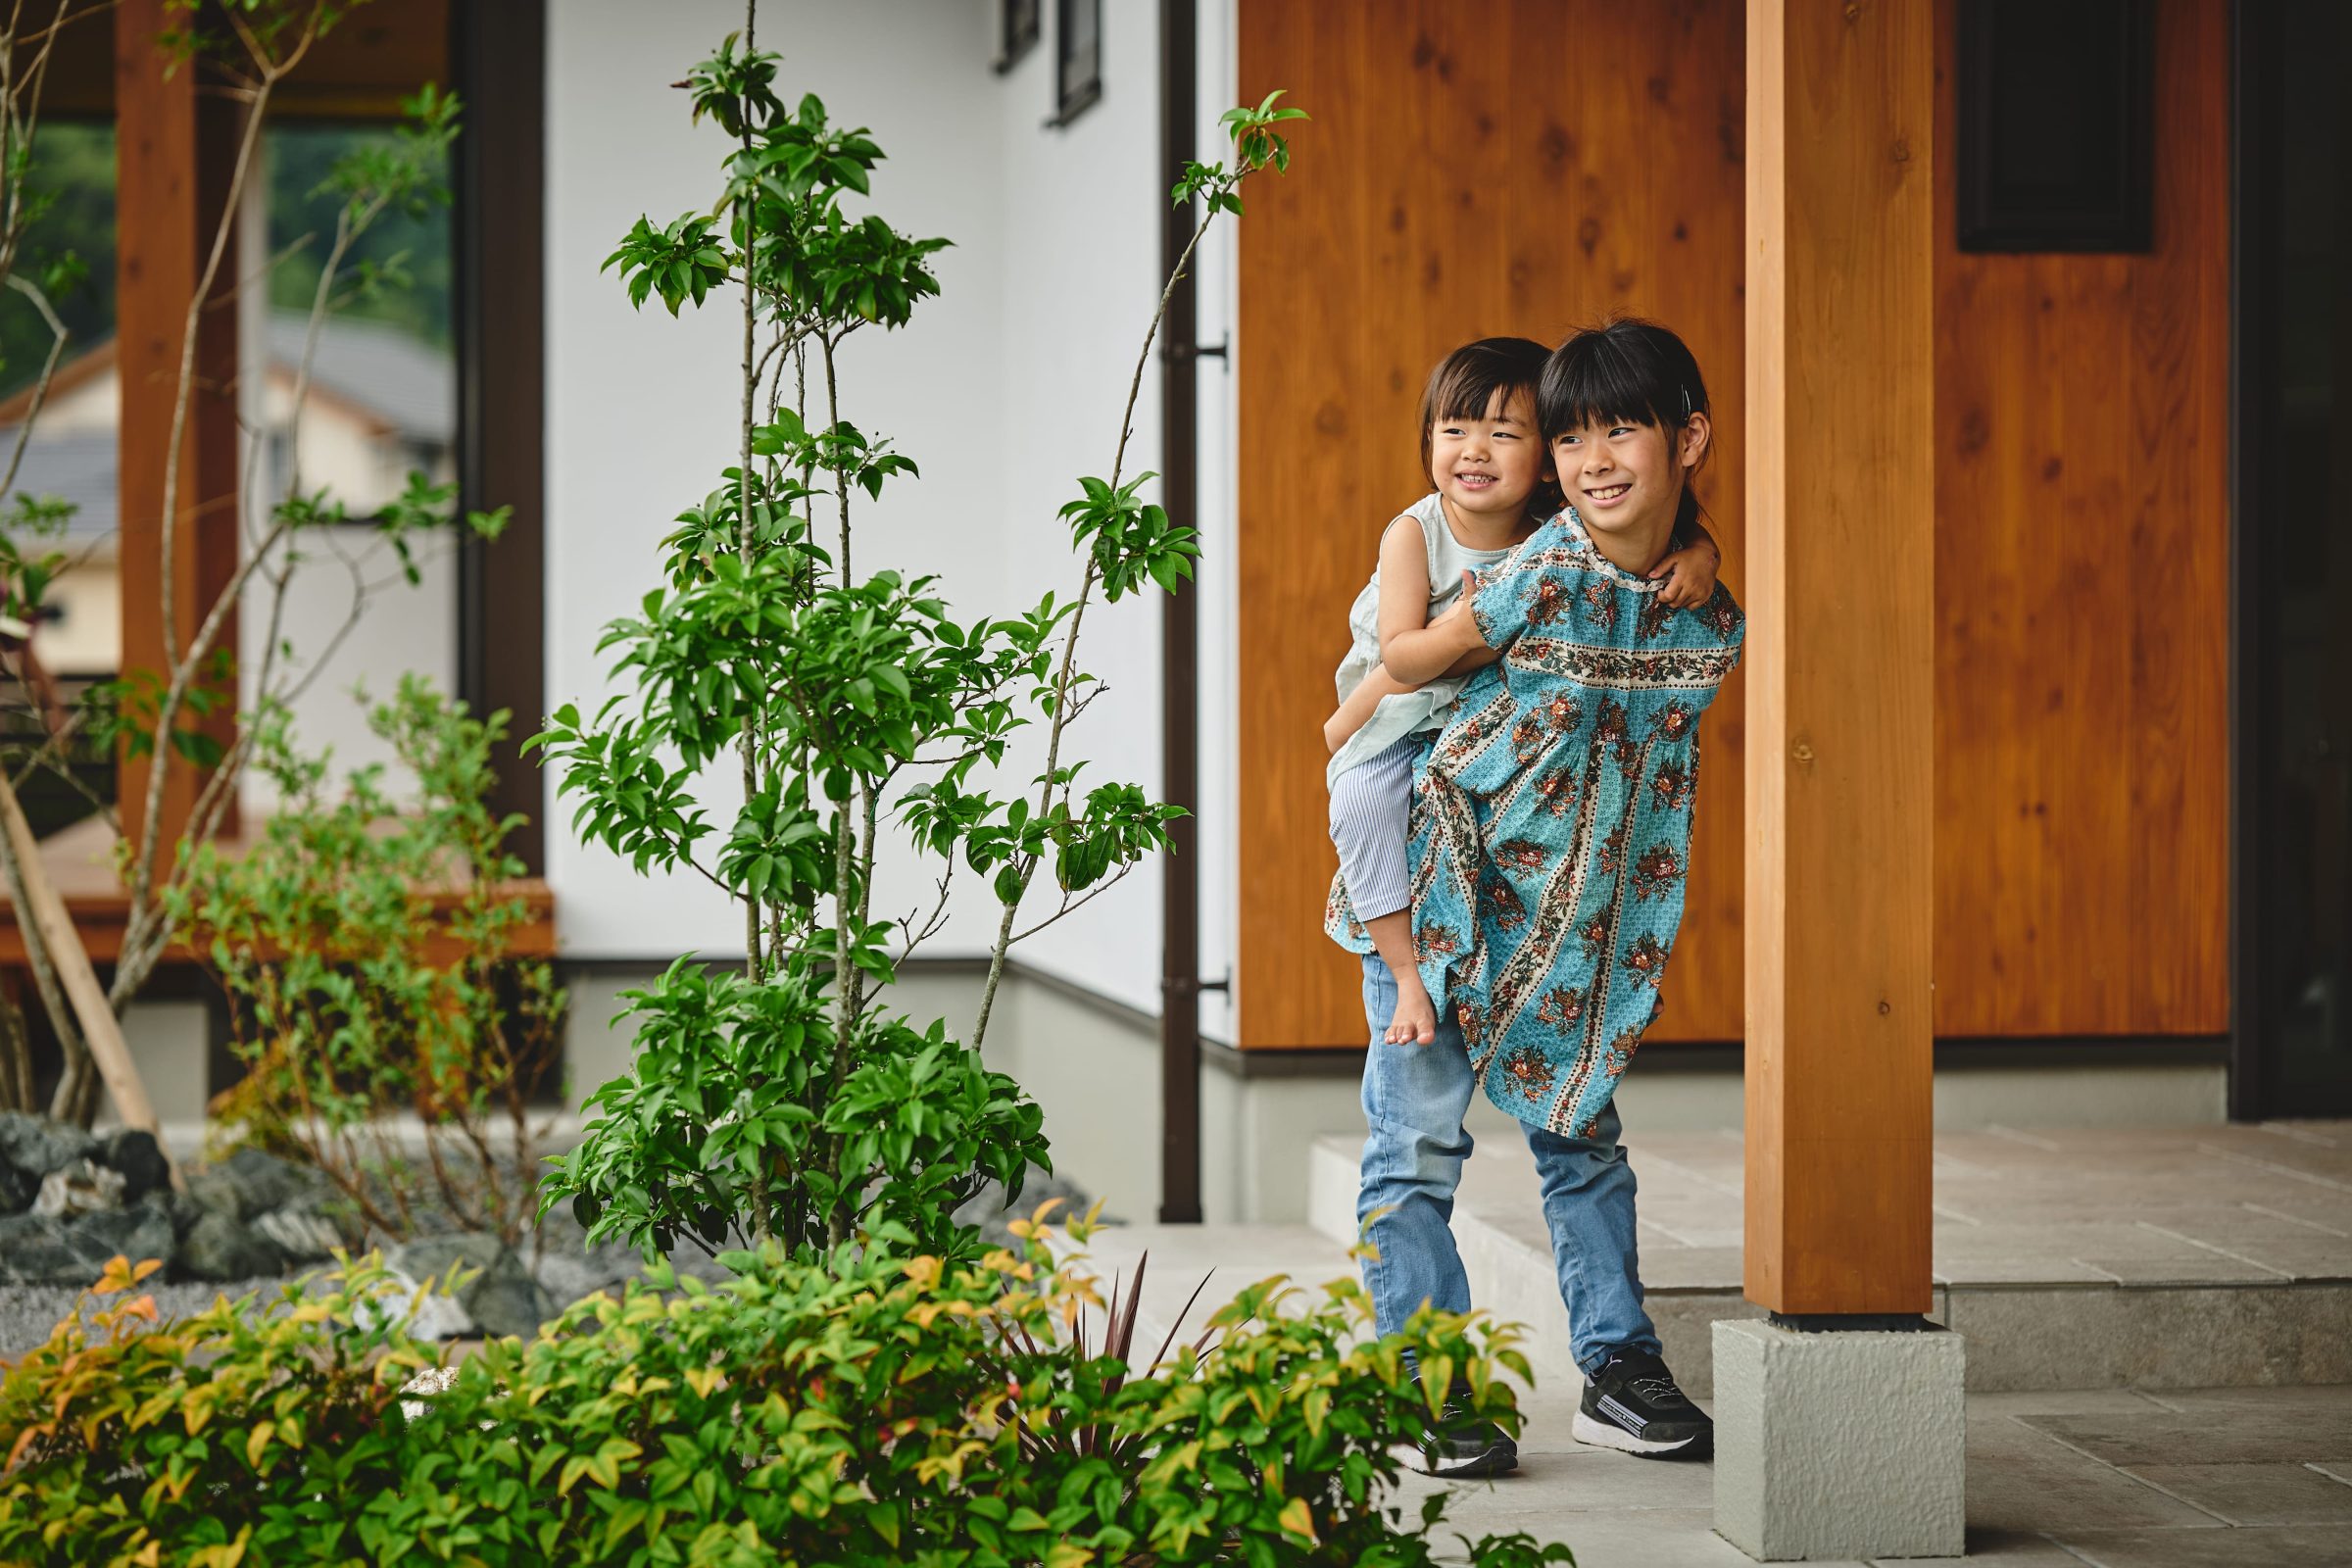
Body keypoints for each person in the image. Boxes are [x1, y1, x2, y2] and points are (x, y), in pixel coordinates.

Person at [1329, 319, 1743, 1478]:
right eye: (1572, 436)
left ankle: (1616, 1368)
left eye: (1622, 429)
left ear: (1688, 437)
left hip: (1577, 919)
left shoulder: (1697, 606)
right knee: (1412, 1146)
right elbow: (1412, 657)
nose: (1595, 456)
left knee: (1584, 1141)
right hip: (1445, 883)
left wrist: (1700, 552)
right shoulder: (1540, 566)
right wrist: (1350, 716)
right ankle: (1424, 1384)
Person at [1324, 338, 1718, 1050]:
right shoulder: (1416, 534)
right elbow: (1403, 659)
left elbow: (1642, 553)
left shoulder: (1557, 536)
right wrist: (1458, 634)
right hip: (1404, 712)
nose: (1474, 451)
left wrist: (1702, 552)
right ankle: (1405, 974)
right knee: (1360, 802)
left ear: (1542, 463)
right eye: (1455, 431)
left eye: (1502, 434)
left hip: (1481, 722)